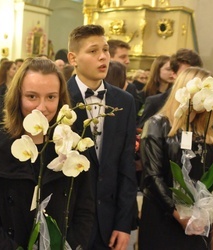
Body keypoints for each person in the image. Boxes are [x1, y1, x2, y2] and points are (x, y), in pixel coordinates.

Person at [0, 57, 94, 249]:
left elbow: (85, 209)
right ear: (18, 97)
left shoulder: (72, 145)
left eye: (51, 97)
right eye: (32, 97)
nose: (42, 107)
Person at [67, 24, 137, 250]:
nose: (103, 57)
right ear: (73, 58)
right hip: (70, 219)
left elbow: (126, 166)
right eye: (93, 51)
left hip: (109, 222)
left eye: (105, 50)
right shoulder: (60, 98)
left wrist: (124, 224)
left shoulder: (124, 101)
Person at [138, 67, 213, 250]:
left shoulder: (209, 131)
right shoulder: (158, 125)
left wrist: (205, 211)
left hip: (198, 220)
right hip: (163, 216)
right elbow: (152, 176)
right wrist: (178, 214)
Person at [138, 49, 202, 128]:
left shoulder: (203, 103)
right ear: (173, 74)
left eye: (195, 74)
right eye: (185, 73)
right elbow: (143, 131)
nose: (190, 78)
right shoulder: (155, 102)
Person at [0, 60, 16, 128]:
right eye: (13, 69)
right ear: (7, 71)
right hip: (2, 123)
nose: (16, 71)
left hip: (14, 121)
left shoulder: (15, 87)